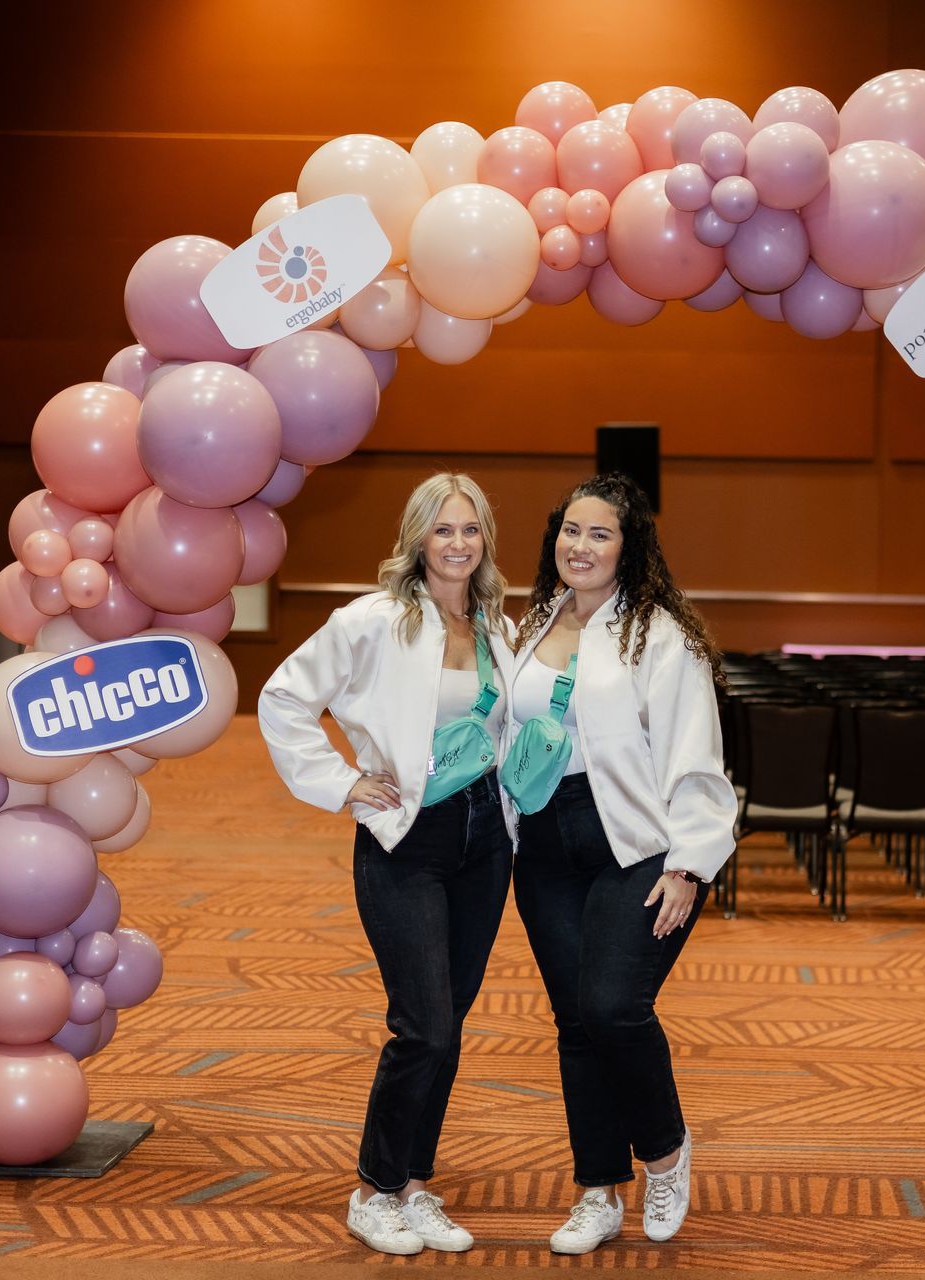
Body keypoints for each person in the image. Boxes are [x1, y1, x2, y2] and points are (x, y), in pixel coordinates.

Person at [258, 473, 514, 1256]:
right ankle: (372, 1189)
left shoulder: (500, 625)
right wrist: (345, 783)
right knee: (424, 1027)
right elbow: (282, 698)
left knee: (452, 1021)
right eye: (444, 531)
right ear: (418, 539)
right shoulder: (373, 621)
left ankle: (413, 1185)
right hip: (407, 839)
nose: (459, 544)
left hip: (486, 844)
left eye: (471, 530)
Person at [499, 473, 737, 1253]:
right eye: (571, 531)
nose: (581, 546)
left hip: (637, 845)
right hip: (542, 842)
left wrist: (690, 865)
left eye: (600, 534)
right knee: (574, 1020)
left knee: (612, 1007)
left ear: (629, 549)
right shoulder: (531, 622)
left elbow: (696, 756)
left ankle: (665, 1153)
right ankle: (597, 1189)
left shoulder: (658, 634)